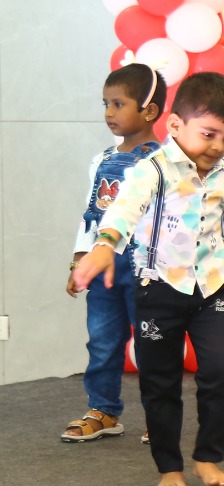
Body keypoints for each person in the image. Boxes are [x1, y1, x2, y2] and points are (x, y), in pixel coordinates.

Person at [72, 71, 224, 486]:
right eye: (209, 134)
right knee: (160, 382)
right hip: (159, 289)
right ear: (176, 125)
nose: (218, 146)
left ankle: (207, 457)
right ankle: (169, 469)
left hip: (212, 289)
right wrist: (104, 245)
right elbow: (123, 210)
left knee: (222, 372)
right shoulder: (151, 170)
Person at [62, 62, 166, 443]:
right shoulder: (102, 160)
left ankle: (160, 414)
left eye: (119, 104)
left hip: (147, 268)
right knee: (102, 339)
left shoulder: (164, 162)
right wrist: (80, 258)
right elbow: (91, 215)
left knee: (152, 342)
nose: (109, 112)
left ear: (149, 111)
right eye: (106, 103)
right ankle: (103, 409)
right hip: (105, 265)